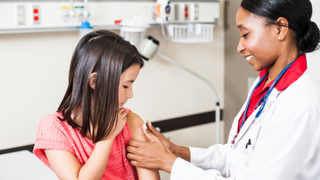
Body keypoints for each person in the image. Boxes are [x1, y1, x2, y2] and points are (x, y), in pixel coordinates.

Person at [126, 0, 320, 179]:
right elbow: (236, 156)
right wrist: (177, 151)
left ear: (280, 29)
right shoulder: (265, 85)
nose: (239, 46)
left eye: (245, 34)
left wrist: (170, 163)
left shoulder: (297, 104)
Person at [33, 30, 160, 180]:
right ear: (94, 82)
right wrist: (108, 137)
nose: (131, 94)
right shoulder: (54, 128)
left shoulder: (131, 122)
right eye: (125, 86)